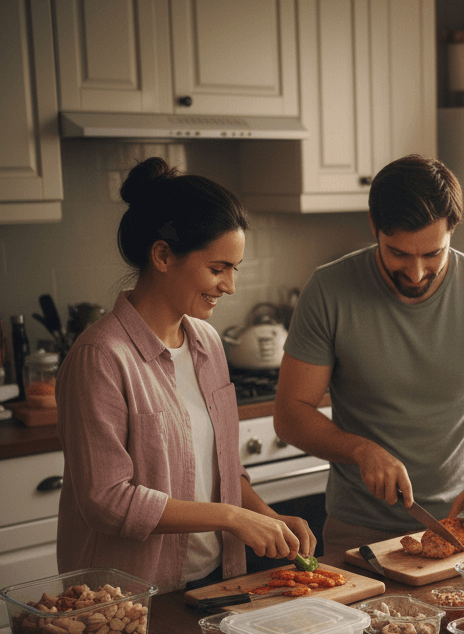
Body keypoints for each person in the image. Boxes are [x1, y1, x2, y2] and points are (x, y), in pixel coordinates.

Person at [56, 157, 315, 593]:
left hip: (211, 582)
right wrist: (232, 517)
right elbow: (106, 500)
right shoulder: (101, 357)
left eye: (235, 269)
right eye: (217, 269)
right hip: (127, 598)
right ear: (162, 255)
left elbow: (221, 469)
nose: (229, 286)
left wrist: (266, 516)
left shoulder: (208, 343)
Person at [274, 154, 464, 563]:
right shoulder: (329, 289)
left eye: (433, 254)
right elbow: (291, 412)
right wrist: (361, 450)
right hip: (358, 529)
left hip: (459, 528)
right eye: (398, 254)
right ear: (373, 226)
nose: (416, 273)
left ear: (452, 229)